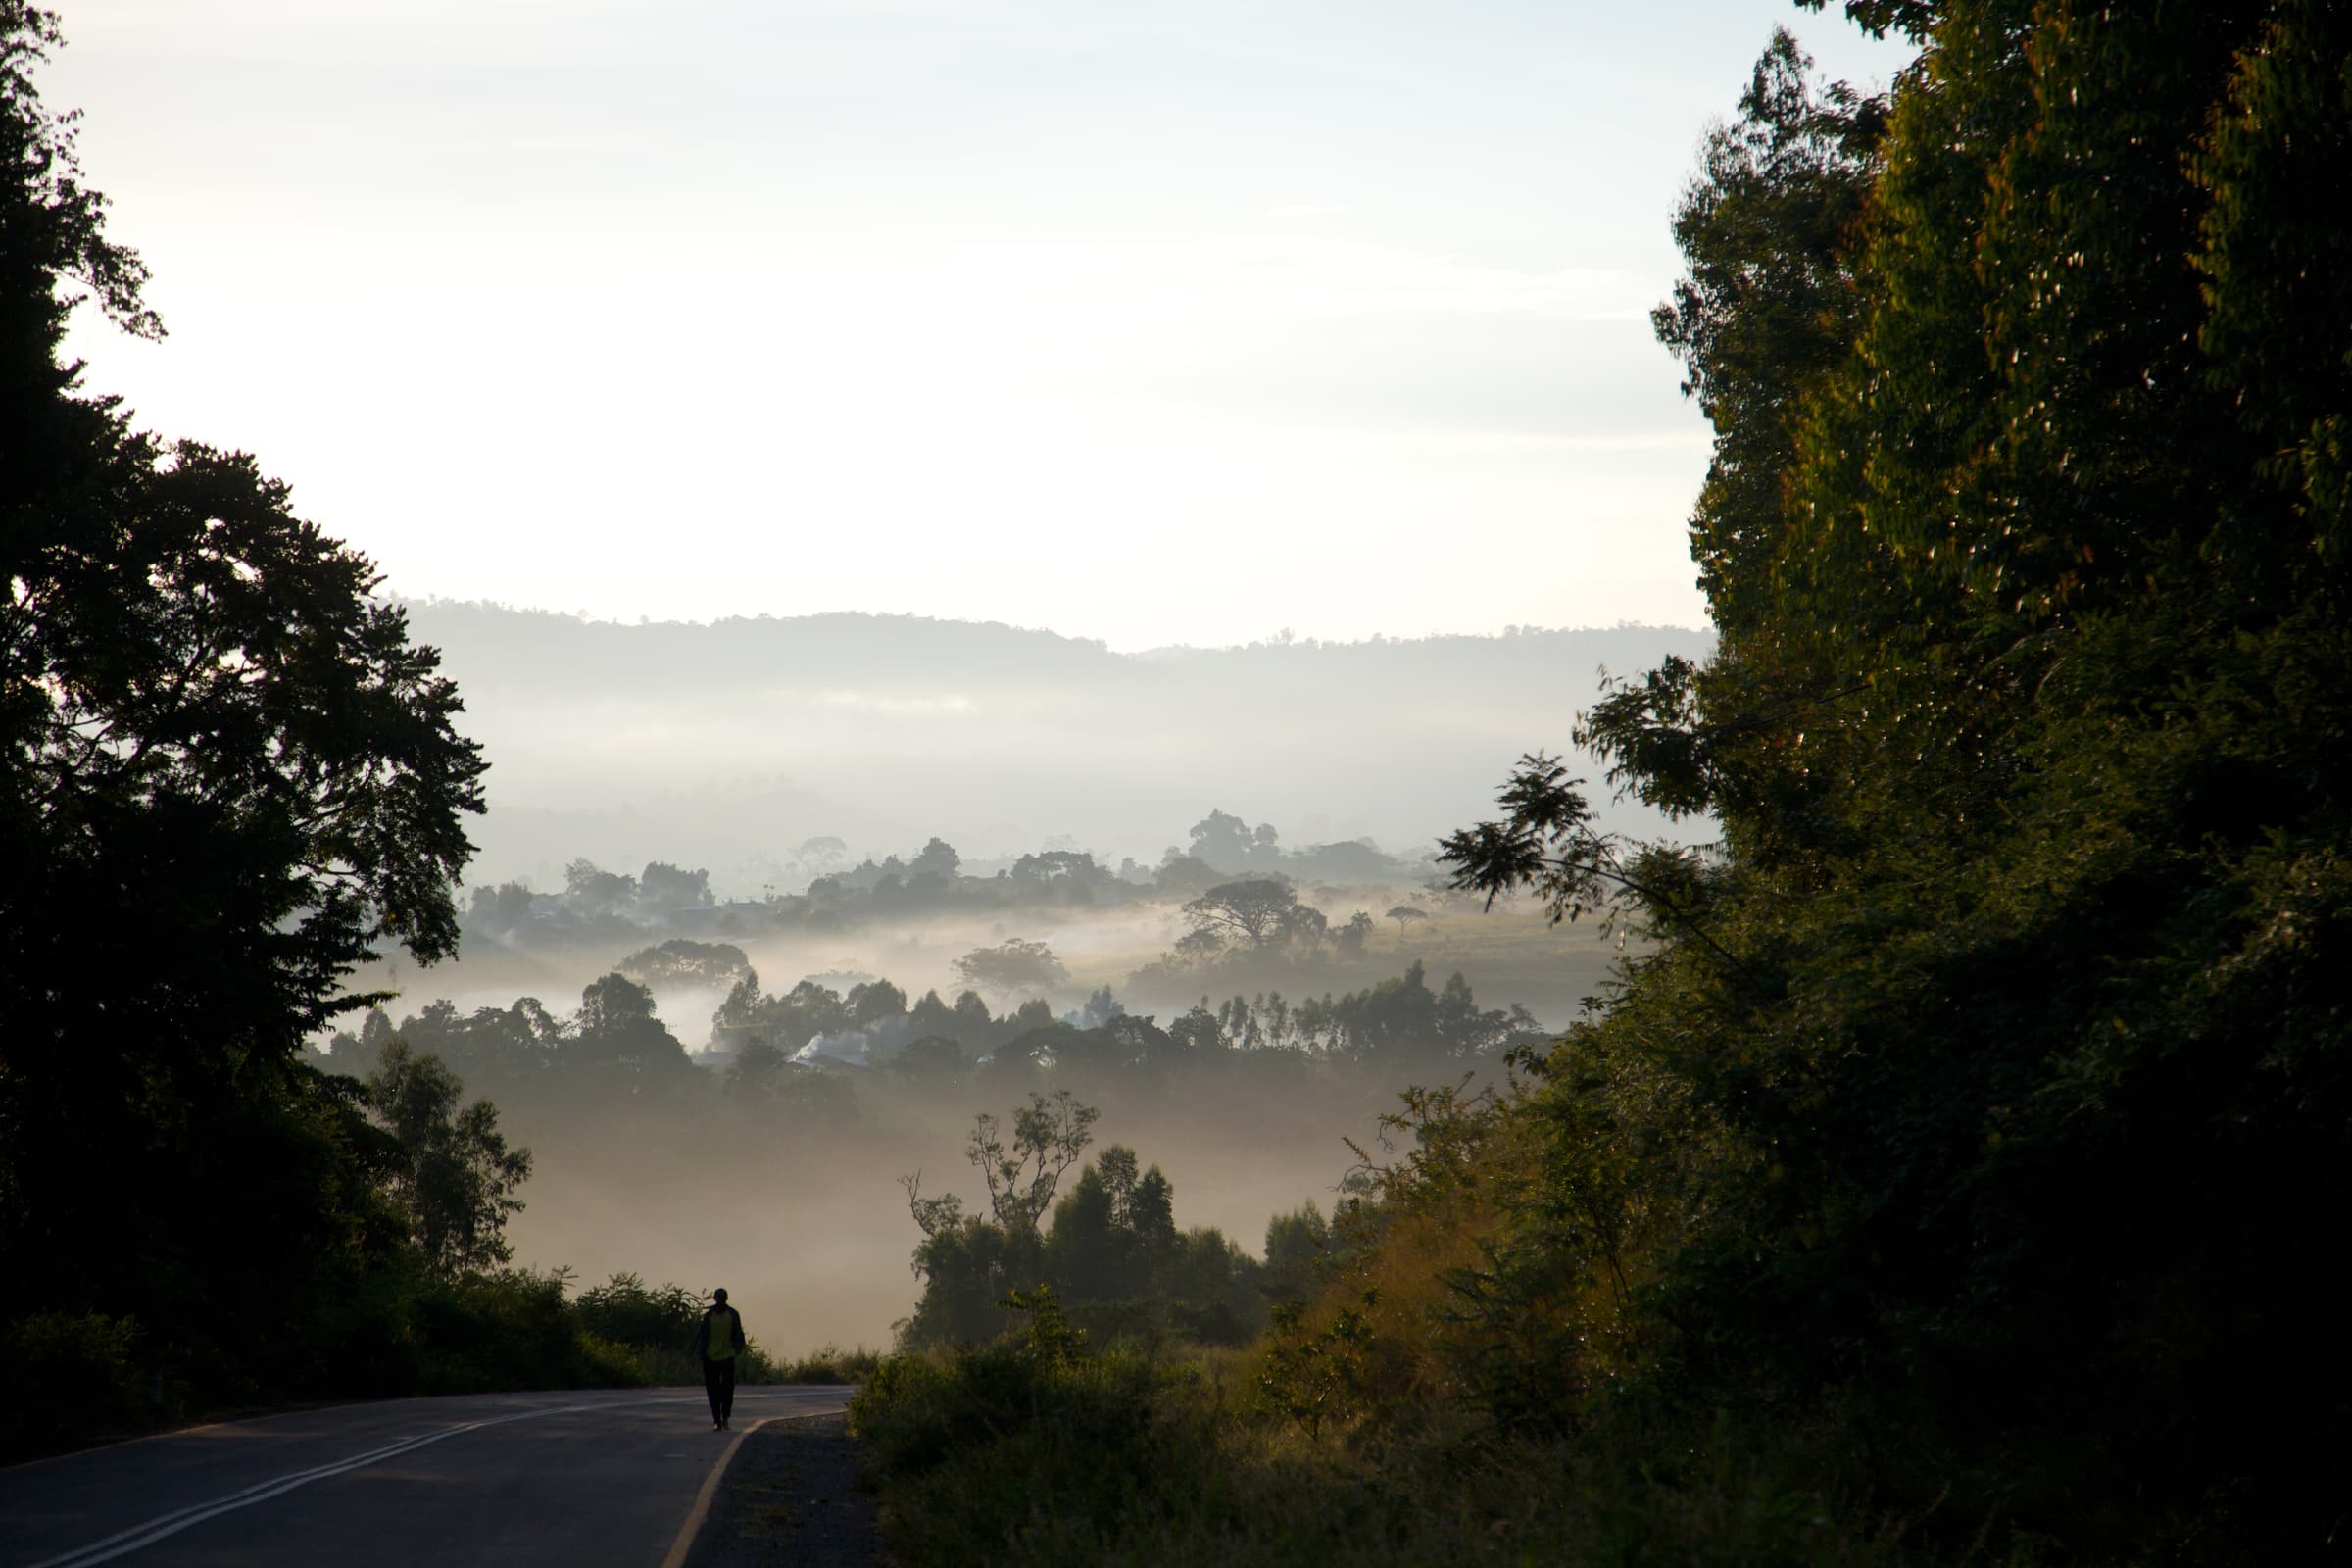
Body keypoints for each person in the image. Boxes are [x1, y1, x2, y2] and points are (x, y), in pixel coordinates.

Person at [688, 1287, 746, 1430]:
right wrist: (697, 1352)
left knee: (727, 1387)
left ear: (726, 1299)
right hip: (710, 1357)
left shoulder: (732, 1315)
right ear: (715, 1299)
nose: (720, 1300)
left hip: (727, 1356)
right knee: (712, 1389)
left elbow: (739, 1333)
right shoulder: (709, 1316)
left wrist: (738, 1348)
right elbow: (701, 1335)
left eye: (722, 1297)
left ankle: (725, 1416)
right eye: (718, 1297)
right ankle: (717, 1420)